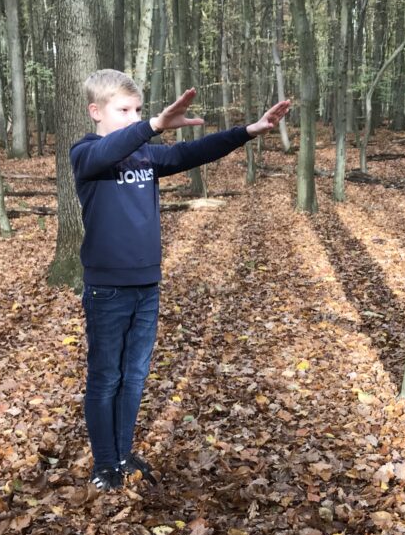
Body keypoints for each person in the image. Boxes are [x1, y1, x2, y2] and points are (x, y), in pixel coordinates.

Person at [71, 68, 290, 491]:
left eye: (138, 110)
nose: (134, 118)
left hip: (147, 286)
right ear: (95, 112)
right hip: (107, 289)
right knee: (106, 378)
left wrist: (249, 130)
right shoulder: (85, 154)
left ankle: (122, 453)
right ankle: (104, 464)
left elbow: (194, 152)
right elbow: (106, 152)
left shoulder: (145, 157)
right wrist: (154, 124)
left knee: (134, 377)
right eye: (124, 111)